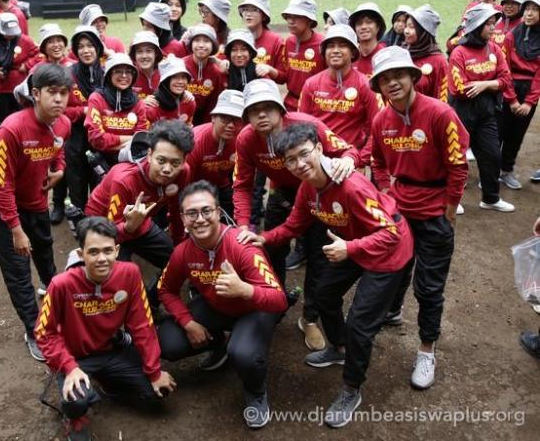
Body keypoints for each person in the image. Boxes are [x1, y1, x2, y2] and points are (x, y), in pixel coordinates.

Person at [239, 123, 414, 427]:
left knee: (360, 325)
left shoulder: (352, 186)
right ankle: (340, 347)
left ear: (319, 149)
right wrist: (263, 239)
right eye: (290, 160)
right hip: (354, 243)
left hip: (387, 252)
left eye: (304, 154)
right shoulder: (308, 188)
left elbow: (390, 234)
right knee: (323, 295)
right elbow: (294, 225)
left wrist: (350, 248)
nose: (299, 164)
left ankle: (351, 389)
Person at [370, 46, 469, 389]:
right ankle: (393, 311)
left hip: (435, 211)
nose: (392, 83)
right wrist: (387, 194)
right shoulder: (381, 120)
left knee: (428, 286)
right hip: (400, 210)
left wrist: (450, 209)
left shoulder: (441, 114)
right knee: (395, 270)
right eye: (384, 78)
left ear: (413, 76)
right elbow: (377, 162)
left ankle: (427, 349)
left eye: (398, 75)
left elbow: (458, 166)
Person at [233, 78, 358, 351]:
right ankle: (274, 303)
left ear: (280, 109)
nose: (262, 115)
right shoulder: (246, 139)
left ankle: (309, 318)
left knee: (319, 257)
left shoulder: (307, 125)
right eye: (254, 110)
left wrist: (348, 160)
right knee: (270, 250)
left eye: (268, 107)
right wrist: (243, 225)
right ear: (247, 116)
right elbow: (242, 184)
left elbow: (348, 149)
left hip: (318, 193)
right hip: (281, 194)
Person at [157, 180, 288, 429]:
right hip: (217, 305)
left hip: (255, 309)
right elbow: (166, 290)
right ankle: (220, 343)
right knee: (168, 341)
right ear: (183, 219)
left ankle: (255, 391)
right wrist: (188, 323)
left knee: (244, 354)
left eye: (206, 211)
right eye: (192, 213)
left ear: (218, 212)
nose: (200, 219)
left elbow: (279, 300)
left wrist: (245, 290)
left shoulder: (241, 245)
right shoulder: (183, 252)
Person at [36, 216, 176, 441]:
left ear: (117, 250)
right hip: (76, 357)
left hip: (112, 349)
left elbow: (142, 324)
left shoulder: (129, 274)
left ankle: (108, 382)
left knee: (159, 391)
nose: (102, 259)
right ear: (81, 254)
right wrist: (69, 366)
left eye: (108, 251)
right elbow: (44, 333)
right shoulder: (61, 285)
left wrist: (154, 370)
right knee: (76, 401)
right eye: (93, 252)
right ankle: (74, 417)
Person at [0, 63, 71, 361]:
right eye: (52, 92)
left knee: (45, 254)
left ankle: (59, 305)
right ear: (36, 94)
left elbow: (58, 149)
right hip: (3, 207)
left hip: (36, 201)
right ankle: (34, 330)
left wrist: (59, 170)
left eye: (64, 93)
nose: (58, 99)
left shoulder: (63, 123)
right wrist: (16, 230)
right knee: (19, 272)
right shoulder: (11, 128)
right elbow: (1, 185)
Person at [84, 120, 194, 303]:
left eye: (175, 163)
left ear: (183, 161)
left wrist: (178, 244)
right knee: (121, 282)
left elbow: (176, 210)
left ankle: (152, 303)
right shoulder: (124, 180)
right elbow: (110, 232)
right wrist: (128, 227)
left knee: (179, 262)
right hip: (103, 225)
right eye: (161, 160)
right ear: (149, 155)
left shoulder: (183, 172)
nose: (167, 169)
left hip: (140, 223)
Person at [449, 3, 514, 212]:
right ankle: (453, 200)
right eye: (488, 24)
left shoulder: (494, 49)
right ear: (477, 26)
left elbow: (506, 79)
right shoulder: (459, 52)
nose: (493, 28)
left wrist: (484, 84)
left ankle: (490, 199)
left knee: (492, 155)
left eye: (494, 23)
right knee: (456, 159)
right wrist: (492, 83)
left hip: (487, 114)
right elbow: (459, 89)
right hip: (461, 115)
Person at [298, 24, 381, 167]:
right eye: (330, 46)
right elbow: (301, 127)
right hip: (317, 161)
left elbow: (378, 129)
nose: (335, 50)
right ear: (324, 52)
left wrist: (358, 159)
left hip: (350, 162)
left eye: (342, 46)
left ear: (353, 52)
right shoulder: (311, 84)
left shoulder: (366, 85)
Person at [498, 0, 540, 190]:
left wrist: (529, 102)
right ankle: (490, 173)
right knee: (498, 131)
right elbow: (504, 68)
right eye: (527, 9)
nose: (529, 14)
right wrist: (512, 99)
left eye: (535, 10)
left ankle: (506, 170)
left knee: (517, 134)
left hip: (529, 90)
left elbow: (539, 76)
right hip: (509, 88)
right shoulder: (511, 36)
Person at [185, 89, 244, 219]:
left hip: (221, 185)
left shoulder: (242, 141)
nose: (231, 125)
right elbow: (183, 182)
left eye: (237, 120)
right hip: (192, 187)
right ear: (213, 118)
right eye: (225, 119)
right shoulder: (195, 142)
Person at [63, 25, 104, 211]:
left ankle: (96, 220)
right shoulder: (67, 74)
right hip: (74, 137)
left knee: (99, 184)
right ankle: (78, 218)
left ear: (98, 47)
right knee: (76, 184)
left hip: (100, 139)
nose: (86, 51)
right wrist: (84, 111)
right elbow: (60, 111)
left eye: (90, 45)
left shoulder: (108, 74)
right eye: (80, 47)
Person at [84, 53, 149, 165]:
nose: (124, 75)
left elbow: (141, 141)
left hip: (130, 162)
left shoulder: (138, 103)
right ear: (109, 75)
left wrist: (109, 144)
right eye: (118, 71)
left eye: (128, 72)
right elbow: (96, 139)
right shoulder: (97, 98)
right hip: (101, 161)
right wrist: (130, 139)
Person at [0, 12, 38, 123]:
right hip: (3, 88)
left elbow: (39, 55)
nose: (10, 36)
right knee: (3, 118)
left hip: (21, 87)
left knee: (23, 118)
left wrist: (27, 65)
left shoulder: (25, 40)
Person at [281, 0, 326, 111]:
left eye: (296, 17)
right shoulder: (288, 42)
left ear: (309, 20)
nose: (291, 21)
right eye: (288, 17)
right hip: (290, 104)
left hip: (314, 106)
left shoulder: (323, 45)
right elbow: (285, 75)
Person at [182, 24, 226, 124]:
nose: (201, 45)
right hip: (180, 120)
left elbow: (213, 105)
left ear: (213, 45)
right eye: (197, 40)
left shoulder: (216, 72)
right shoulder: (181, 66)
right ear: (191, 43)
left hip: (204, 122)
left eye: (206, 41)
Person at [238, 0, 286, 84]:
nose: (248, 14)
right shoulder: (237, 39)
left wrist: (269, 69)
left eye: (254, 10)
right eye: (245, 10)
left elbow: (283, 78)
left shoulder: (276, 41)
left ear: (264, 16)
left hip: (266, 90)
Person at [404, 5, 449, 102]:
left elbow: (442, 99)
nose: (406, 31)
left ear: (423, 31)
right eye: (406, 26)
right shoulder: (402, 54)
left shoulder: (439, 61)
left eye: (411, 27)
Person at [145, 56, 195, 125]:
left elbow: (188, 126)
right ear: (166, 81)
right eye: (175, 77)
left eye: (184, 77)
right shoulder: (151, 107)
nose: (180, 82)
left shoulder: (189, 102)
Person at [348, 2, 386, 78]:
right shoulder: (350, 56)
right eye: (359, 23)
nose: (363, 27)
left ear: (378, 26)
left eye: (369, 22)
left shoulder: (385, 56)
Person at [130, 31, 162, 100]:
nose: (144, 56)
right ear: (134, 54)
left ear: (156, 53)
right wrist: (140, 102)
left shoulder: (165, 72)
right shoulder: (129, 75)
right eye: (139, 51)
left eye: (149, 51)